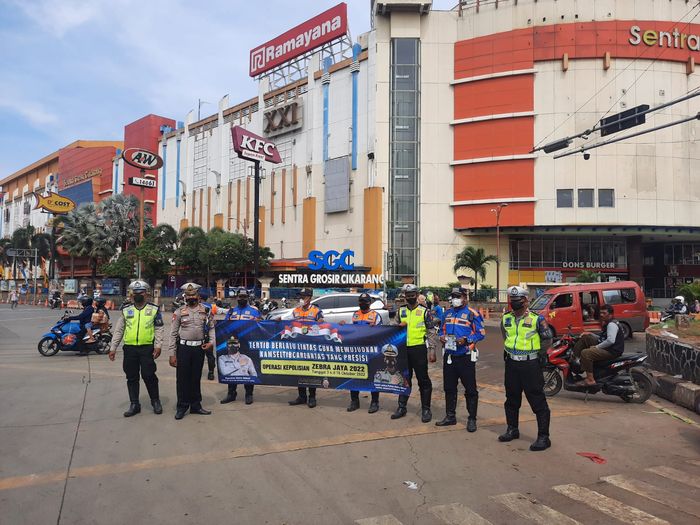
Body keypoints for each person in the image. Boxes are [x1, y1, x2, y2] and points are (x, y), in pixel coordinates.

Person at [499, 286, 553, 451]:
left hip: (530, 364)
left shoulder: (537, 319)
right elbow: (505, 335)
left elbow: (547, 339)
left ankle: (544, 437)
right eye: (512, 301)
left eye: (518, 301)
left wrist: (538, 354)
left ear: (526, 301)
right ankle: (512, 429)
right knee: (511, 398)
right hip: (512, 364)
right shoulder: (506, 318)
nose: (515, 303)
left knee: (537, 399)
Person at [108, 281, 164, 417]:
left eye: (141, 292)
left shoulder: (154, 309)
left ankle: (155, 401)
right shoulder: (126, 310)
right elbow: (119, 329)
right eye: (136, 292)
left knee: (149, 375)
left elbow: (159, 328)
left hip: (147, 348)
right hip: (130, 349)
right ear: (132, 294)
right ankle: (134, 404)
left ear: (147, 293)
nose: (138, 295)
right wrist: (113, 347)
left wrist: (158, 345)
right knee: (131, 377)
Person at [436, 287, 485, 432]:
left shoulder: (472, 314)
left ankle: (472, 419)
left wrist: (467, 339)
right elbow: (441, 330)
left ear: (465, 297)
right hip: (450, 356)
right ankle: (450, 416)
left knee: (470, 389)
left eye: (458, 296)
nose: (455, 299)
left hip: (465, 356)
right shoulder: (447, 313)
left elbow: (481, 333)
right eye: (453, 296)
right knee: (449, 388)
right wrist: (441, 337)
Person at [169, 282, 216, 420]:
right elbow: (172, 333)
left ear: (198, 296)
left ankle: (196, 405)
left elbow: (212, 328)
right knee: (182, 379)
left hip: (199, 349)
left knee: (196, 377)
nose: (191, 297)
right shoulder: (179, 312)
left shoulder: (206, 311)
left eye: (193, 295)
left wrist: (211, 343)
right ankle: (182, 406)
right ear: (185, 297)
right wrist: (172, 354)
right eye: (188, 295)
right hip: (184, 348)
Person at [392, 284, 435, 423]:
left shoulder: (424, 311)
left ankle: (426, 409)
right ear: (404, 295)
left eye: (412, 294)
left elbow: (431, 331)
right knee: (404, 379)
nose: (410, 297)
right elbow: (394, 328)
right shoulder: (401, 310)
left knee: (423, 380)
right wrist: (398, 327)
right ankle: (401, 407)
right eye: (407, 294)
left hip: (419, 349)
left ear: (417, 295)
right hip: (404, 350)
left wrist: (432, 350)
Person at [220, 289, 261, 405]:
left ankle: (249, 394)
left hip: (248, 344)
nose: (242, 299)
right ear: (237, 298)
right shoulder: (231, 311)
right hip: (233, 344)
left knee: (247, 369)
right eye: (240, 297)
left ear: (248, 298)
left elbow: (261, 325)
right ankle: (231, 394)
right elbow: (224, 326)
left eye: (244, 297)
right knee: (231, 369)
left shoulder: (254, 311)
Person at [572, 304, 624, 386]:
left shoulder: (611, 325)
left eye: (604, 313)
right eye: (601, 313)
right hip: (609, 347)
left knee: (586, 353)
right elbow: (603, 337)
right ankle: (576, 360)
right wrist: (590, 334)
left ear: (610, 314)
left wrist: (596, 347)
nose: (601, 315)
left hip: (612, 351)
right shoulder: (608, 323)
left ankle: (590, 379)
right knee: (586, 337)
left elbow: (610, 341)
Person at [288, 287, 323, 408]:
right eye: (300, 297)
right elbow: (289, 324)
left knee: (311, 371)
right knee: (300, 370)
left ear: (310, 298)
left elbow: (322, 324)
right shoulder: (296, 310)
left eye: (304, 297)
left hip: (312, 346)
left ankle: (312, 397)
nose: (301, 299)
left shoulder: (316, 310)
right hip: (298, 346)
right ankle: (301, 396)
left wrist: (320, 323)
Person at [347, 293, 382, 413]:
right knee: (354, 375)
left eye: (365, 301)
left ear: (369, 303)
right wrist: (343, 326)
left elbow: (382, 333)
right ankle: (354, 401)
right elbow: (350, 330)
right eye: (360, 301)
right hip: (357, 351)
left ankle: (375, 402)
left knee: (373, 376)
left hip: (371, 351)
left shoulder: (375, 315)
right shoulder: (355, 315)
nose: (362, 303)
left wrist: (375, 328)